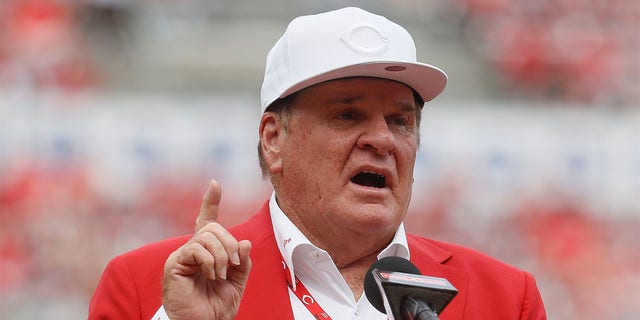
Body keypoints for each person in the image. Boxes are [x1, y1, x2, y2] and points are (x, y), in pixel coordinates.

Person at [88, 7, 546, 320]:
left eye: (400, 120)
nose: (382, 139)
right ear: (274, 140)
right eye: (347, 115)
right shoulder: (148, 286)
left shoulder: (505, 297)